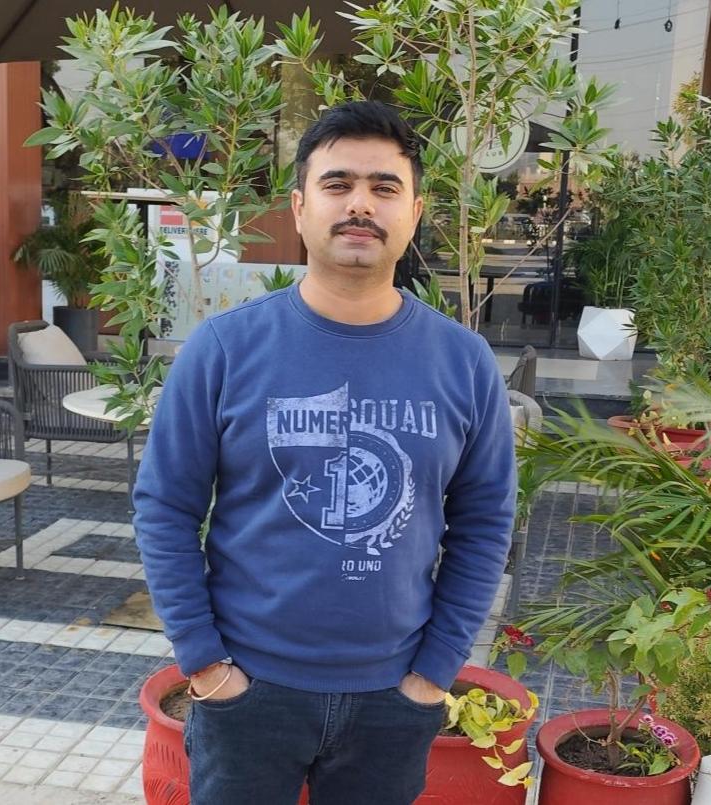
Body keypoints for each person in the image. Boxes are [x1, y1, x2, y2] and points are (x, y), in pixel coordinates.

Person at [134, 100, 516, 805]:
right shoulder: (224, 350)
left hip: (394, 695)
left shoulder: (463, 363)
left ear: (414, 212)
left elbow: (486, 521)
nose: (360, 204)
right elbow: (164, 507)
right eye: (337, 184)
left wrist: (434, 672)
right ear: (300, 207)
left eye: (384, 187)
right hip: (247, 692)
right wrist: (205, 663)